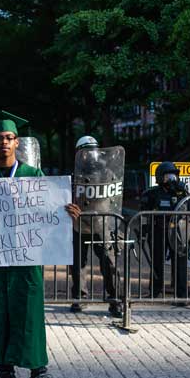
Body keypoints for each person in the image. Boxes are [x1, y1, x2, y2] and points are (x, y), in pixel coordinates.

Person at [0, 111, 81, 378]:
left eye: (9, 138)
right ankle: (5, 373)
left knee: (29, 312)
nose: (4, 143)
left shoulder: (34, 176)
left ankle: (38, 374)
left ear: (17, 142)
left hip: (26, 259)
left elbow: (49, 213)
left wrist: (67, 214)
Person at [70, 135, 122, 317]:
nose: (90, 155)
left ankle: (115, 300)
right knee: (78, 263)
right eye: (86, 151)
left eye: (92, 150)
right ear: (79, 154)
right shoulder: (74, 174)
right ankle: (79, 297)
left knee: (109, 263)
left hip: (102, 223)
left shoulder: (108, 173)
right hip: (79, 224)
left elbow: (116, 197)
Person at [140, 162, 190, 305]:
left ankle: (181, 296)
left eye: (174, 175)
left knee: (180, 264)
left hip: (177, 233)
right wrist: (143, 232)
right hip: (158, 231)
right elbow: (143, 214)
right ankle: (155, 292)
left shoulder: (182, 192)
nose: (171, 179)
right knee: (157, 262)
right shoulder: (152, 193)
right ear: (160, 177)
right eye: (168, 176)